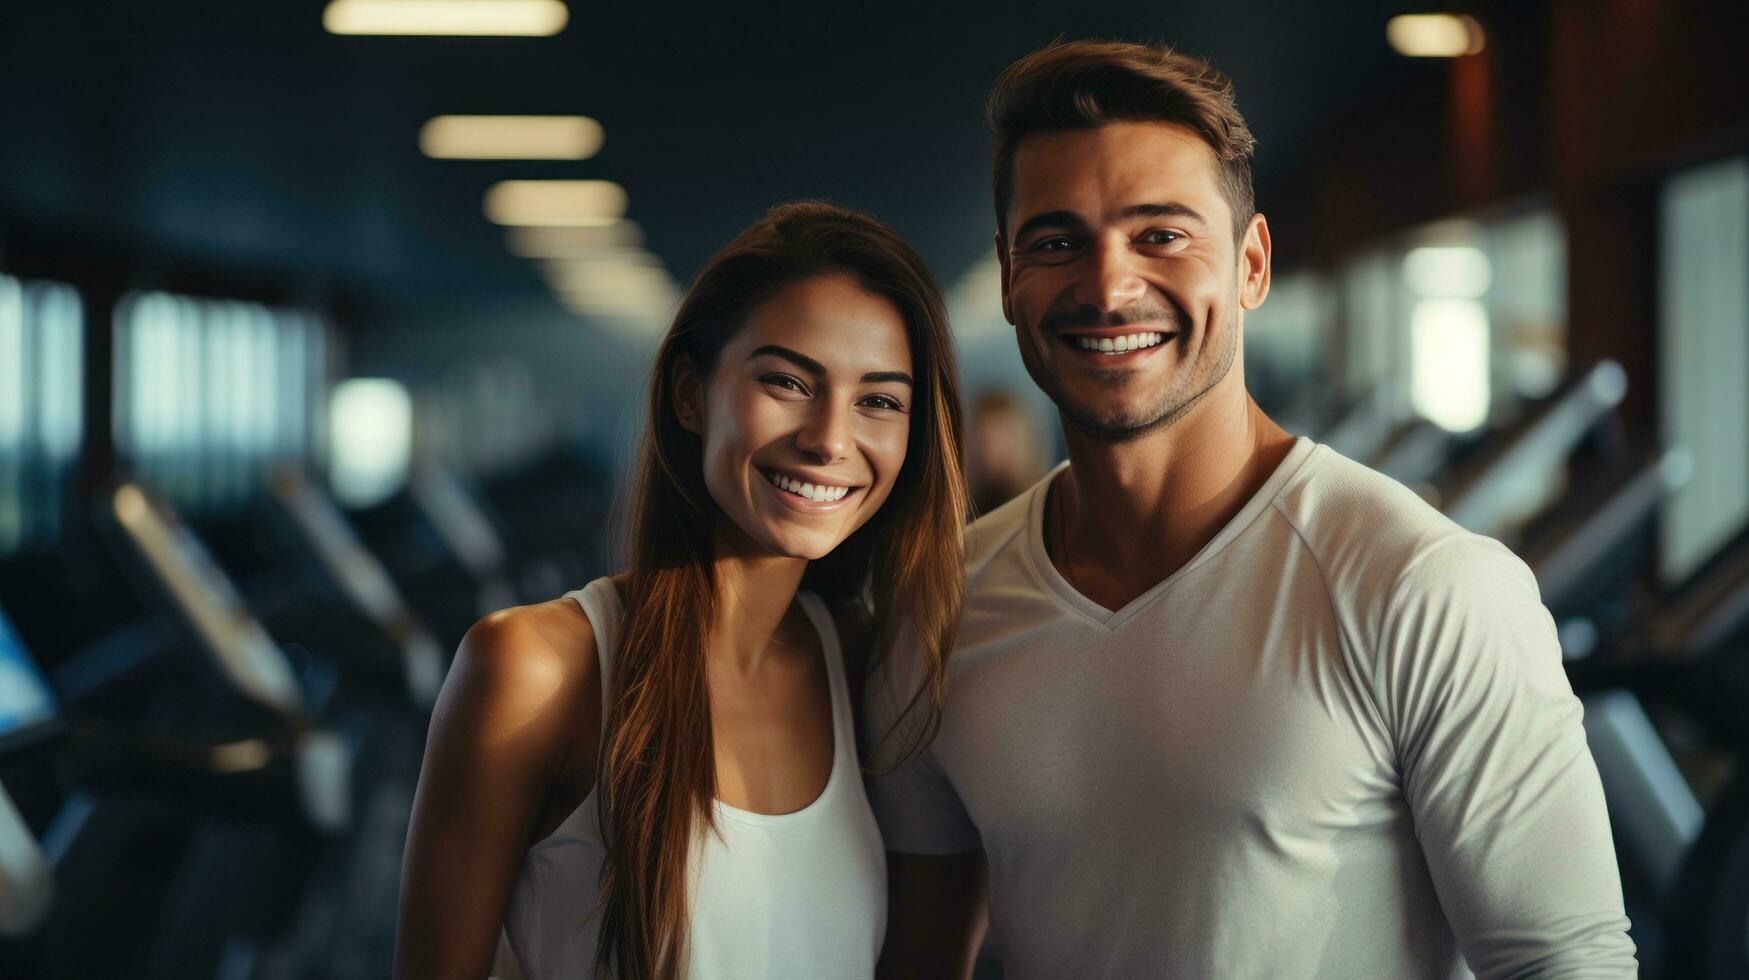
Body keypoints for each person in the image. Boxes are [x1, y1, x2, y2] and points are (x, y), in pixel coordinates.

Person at [865, 40, 1638, 978]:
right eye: (1058, 241)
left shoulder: (1427, 586)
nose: (1108, 287)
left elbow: (1566, 965)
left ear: (1252, 265)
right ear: (1007, 276)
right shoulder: (940, 607)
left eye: (1162, 234)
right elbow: (918, 958)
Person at [395, 201, 968, 980]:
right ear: (690, 396)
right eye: (787, 381)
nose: (831, 438)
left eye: (879, 400)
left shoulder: (871, 667)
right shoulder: (535, 669)